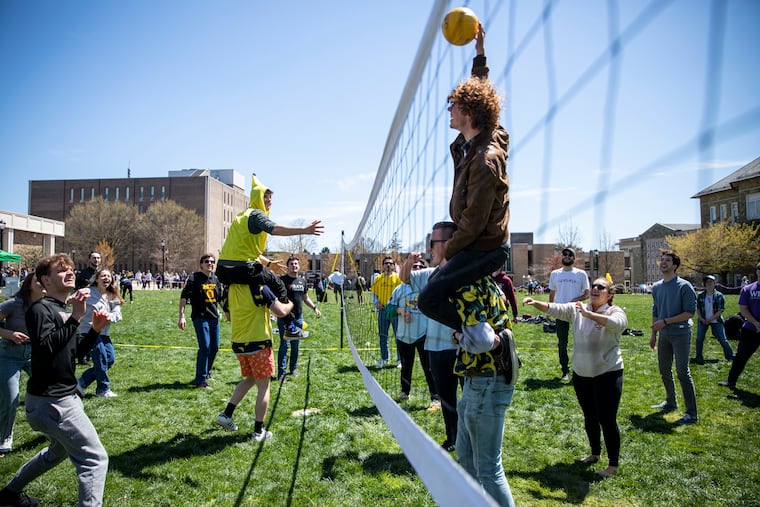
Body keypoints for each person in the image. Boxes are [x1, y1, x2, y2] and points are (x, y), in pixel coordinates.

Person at [416, 25, 511, 354]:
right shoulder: (480, 136)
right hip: (474, 242)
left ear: (469, 112)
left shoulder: (486, 159)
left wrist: (447, 257)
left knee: (429, 298)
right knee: (436, 290)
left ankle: (493, 340)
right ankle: (478, 334)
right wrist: (480, 54)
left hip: (483, 246)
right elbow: (483, 93)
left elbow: (472, 224)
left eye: (454, 105)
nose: (449, 110)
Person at [0, 254, 110, 507]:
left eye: (71, 268)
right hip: (54, 402)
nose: (70, 273)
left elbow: (74, 354)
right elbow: (47, 346)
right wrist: (76, 317)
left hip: (56, 400)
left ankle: (9, 494)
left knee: (58, 451)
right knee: (95, 459)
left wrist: (93, 330)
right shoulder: (40, 309)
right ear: (45, 280)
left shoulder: (60, 309)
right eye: (62, 271)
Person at [523, 277, 627, 478]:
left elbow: (617, 325)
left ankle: (613, 465)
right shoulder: (578, 308)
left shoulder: (615, 311)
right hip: (582, 373)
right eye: (594, 286)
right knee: (590, 416)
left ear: (610, 294)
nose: (595, 288)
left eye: (601, 287)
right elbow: (557, 308)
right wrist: (536, 303)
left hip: (608, 372)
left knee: (606, 418)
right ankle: (595, 453)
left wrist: (590, 314)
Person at [216, 174, 323, 339]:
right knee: (277, 283)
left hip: (223, 270)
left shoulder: (241, 217)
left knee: (260, 281)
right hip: (243, 268)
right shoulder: (256, 215)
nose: (269, 200)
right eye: (265, 197)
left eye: (271, 197)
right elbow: (274, 229)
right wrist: (304, 230)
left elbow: (247, 251)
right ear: (256, 197)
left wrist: (268, 263)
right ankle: (290, 326)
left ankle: (227, 306)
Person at [401, 222, 462, 452]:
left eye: (433, 243)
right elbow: (405, 279)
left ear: (450, 243)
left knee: (468, 402)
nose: (429, 248)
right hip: (436, 348)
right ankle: (452, 439)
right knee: (447, 401)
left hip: (464, 348)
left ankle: (471, 443)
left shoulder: (466, 273)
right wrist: (408, 261)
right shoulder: (429, 274)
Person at [214, 284, 292, 441]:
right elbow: (281, 311)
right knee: (264, 386)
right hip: (259, 343)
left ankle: (226, 415)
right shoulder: (260, 288)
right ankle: (258, 431)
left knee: (250, 379)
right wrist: (291, 303)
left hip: (239, 342)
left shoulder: (230, 289)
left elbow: (228, 317)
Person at [650, 250, 698, 425]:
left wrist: (665, 321)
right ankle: (671, 401)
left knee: (682, 373)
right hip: (664, 335)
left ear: (675, 265)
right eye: (661, 260)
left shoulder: (684, 286)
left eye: (667, 260)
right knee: (664, 370)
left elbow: (689, 313)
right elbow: (656, 310)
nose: (663, 262)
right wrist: (654, 334)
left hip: (681, 334)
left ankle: (692, 413)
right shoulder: (656, 287)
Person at [0, 274, 46, 455]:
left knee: (49, 391)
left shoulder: (47, 304)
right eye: (38, 281)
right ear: (29, 284)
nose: (43, 284)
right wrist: (9, 334)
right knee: (11, 399)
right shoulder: (14, 303)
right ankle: (4, 435)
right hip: (10, 354)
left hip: (36, 355)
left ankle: (50, 428)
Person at [388, 263, 437, 405]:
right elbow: (388, 308)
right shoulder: (400, 289)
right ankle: (405, 392)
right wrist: (401, 311)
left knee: (429, 367)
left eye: (420, 267)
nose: (416, 269)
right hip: (404, 335)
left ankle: (435, 397)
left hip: (424, 334)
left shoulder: (429, 289)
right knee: (405, 366)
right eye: (414, 266)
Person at [76, 269, 123, 398]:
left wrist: (108, 316)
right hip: (89, 332)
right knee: (101, 357)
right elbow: (72, 299)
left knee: (109, 359)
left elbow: (118, 314)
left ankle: (81, 382)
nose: (106, 278)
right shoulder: (88, 292)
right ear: (97, 279)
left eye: (108, 276)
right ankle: (103, 389)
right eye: (103, 276)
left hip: (104, 332)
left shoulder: (112, 296)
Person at [178, 254, 223, 390]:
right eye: (207, 261)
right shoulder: (194, 278)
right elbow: (184, 297)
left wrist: (228, 312)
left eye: (212, 262)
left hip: (214, 317)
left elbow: (220, 299)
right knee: (205, 347)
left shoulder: (216, 279)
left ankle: (207, 372)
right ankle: (200, 380)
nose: (210, 263)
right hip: (200, 316)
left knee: (214, 347)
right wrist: (182, 316)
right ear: (201, 264)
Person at [548, 247, 590, 382]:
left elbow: (587, 294)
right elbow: (552, 293)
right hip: (560, 311)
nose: (566, 256)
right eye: (564, 254)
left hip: (577, 311)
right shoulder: (555, 274)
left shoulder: (581, 274)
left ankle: (580, 371)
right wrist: (550, 310)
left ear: (573, 258)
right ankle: (565, 371)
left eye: (569, 254)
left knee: (580, 342)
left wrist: (576, 300)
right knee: (562, 343)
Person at [276, 256, 321, 381]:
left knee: (296, 345)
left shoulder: (302, 281)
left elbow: (305, 298)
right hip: (285, 318)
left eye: (296, 264)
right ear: (288, 266)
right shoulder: (282, 280)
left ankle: (293, 369)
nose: (294, 266)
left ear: (299, 266)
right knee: (284, 345)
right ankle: (281, 373)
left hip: (298, 318)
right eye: (291, 264)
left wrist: (315, 308)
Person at [719, 262, 760, 389]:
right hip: (750, 329)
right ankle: (731, 381)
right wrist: (756, 323)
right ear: (757, 271)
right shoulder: (748, 289)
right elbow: (743, 309)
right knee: (740, 357)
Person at [694, 275, 733, 364]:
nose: (709, 284)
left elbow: (720, 310)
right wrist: (702, 319)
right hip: (703, 320)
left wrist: (710, 319)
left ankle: (730, 356)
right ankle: (698, 356)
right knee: (699, 339)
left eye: (711, 282)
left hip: (716, 320)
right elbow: (698, 309)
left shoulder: (719, 296)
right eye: (707, 282)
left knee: (722, 339)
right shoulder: (700, 296)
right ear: (704, 284)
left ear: (715, 284)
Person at [370, 256, 402, 367]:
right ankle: (384, 359)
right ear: (383, 266)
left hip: (394, 311)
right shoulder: (378, 279)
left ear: (393, 266)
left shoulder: (398, 278)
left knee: (399, 336)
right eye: (386, 263)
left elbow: (402, 294)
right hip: (383, 311)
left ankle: (400, 360)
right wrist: (376, 302)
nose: (388, 265)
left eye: (390, 263)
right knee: (383, 335)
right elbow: (373, 293)